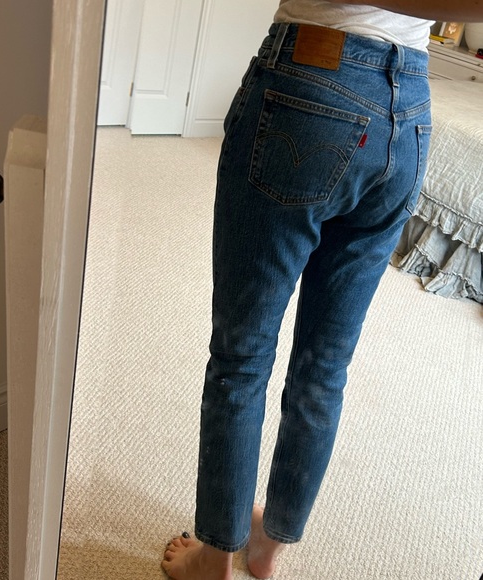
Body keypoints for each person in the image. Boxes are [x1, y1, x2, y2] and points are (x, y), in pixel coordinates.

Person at [162, 2, 483, 579]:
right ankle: (269, 544)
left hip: (312, 78)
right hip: (410, 105)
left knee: (242, 354)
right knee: (325, 365)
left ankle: (215, 559)